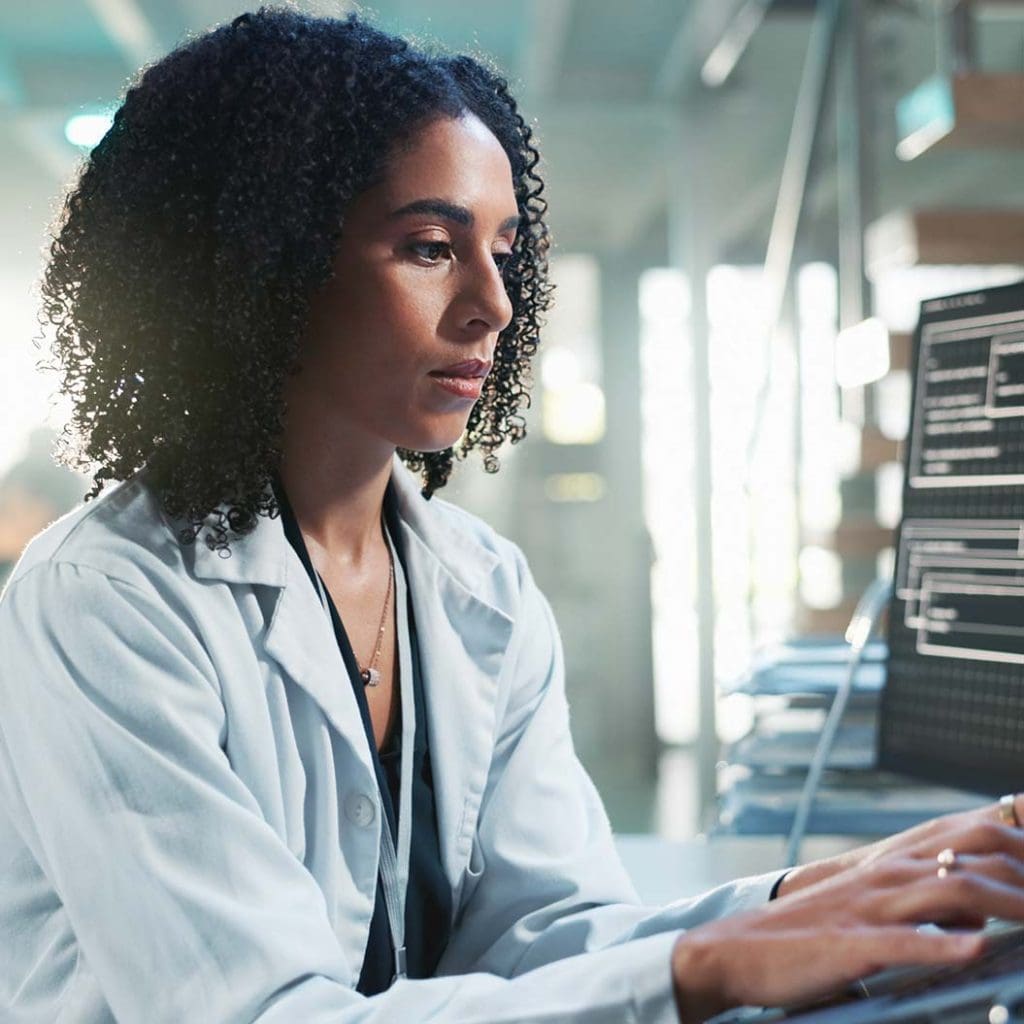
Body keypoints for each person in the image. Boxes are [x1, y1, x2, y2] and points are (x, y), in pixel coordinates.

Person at [1, 8, 1022, 1023]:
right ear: (267, 262)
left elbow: (543, 936)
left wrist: (814, 898)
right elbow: (259, 1015)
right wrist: (712, 968)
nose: (494, 301)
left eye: (505, 248)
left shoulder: (477, 582)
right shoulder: (104, 600)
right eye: (431, 246)